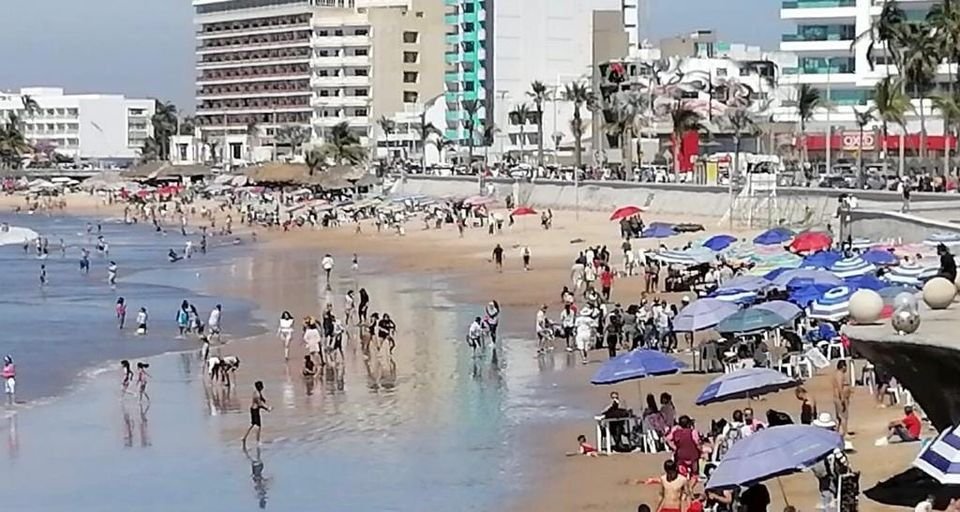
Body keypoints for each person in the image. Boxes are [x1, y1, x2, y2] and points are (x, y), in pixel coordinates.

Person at [242, 381, 271, 448]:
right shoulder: (257, 394)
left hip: (254, 409)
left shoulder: (257, 392)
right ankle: (257, 441)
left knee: (253, 424)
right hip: (255, 410)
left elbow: (261, 400)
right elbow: (260, 404)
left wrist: (263, 400)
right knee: (258, 426)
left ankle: (244, 437)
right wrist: (267, 408)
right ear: (260, 387)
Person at [833, 360, 852, 438]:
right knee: (844, 416)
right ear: (843, 366)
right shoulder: (839, 374)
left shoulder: (838, 374)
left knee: (840, 417)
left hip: (839, 397)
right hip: (840, 398)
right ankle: (845, 433)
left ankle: (837, 432)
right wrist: (842, 398)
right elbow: (840, 387)